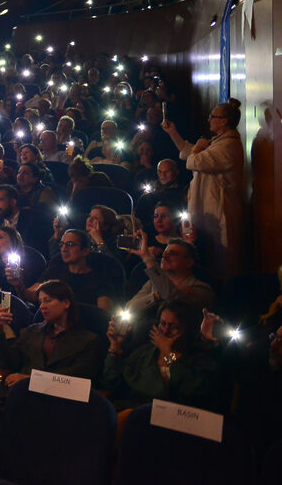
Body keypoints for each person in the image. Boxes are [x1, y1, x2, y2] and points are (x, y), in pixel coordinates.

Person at [161, 100, 243, 271]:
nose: (209, 120)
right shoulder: (218, 142)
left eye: (212, 116)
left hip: (220, 210)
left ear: (224, 121)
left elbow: (193, 160)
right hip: (207, 208)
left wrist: (198, 148)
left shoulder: (228, 145)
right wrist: (172, 132)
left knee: (221, 260)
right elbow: (187, 151)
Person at [103, 299, 227, 412]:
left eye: (174, 327)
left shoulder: (200, 362)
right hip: (131, 416)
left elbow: (191, 395)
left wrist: (168, 351)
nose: (166, 331)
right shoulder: (144, 353)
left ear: (187, 329)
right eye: (163, 323)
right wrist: (115, 346)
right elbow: (112, 384)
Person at [0, 280, 105, 386]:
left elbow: (78, 378)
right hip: (25, 395)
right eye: (40, 302)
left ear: (66, 303)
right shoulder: (30, 332)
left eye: (48, 300)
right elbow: (10, 364)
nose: (42, 306)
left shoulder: (89, 340)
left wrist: (32, 380)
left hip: (64, 400)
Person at [11, 229, 120, 311]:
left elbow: (104, 314)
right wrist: (18, 284)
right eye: (62, 244)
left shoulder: (99, 278)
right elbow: (31, 296)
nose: (64, 249)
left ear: (86, 251)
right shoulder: (57, 267)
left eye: (70, 244)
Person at [125, 234, 214, 315]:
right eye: (164, 253)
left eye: (172, 254)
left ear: (189, 263)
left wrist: (147, 258)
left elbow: (169, 295)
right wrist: (156, 296)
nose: (165, 257)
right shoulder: (152, 283)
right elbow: (129, 308)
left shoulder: (200, 289)